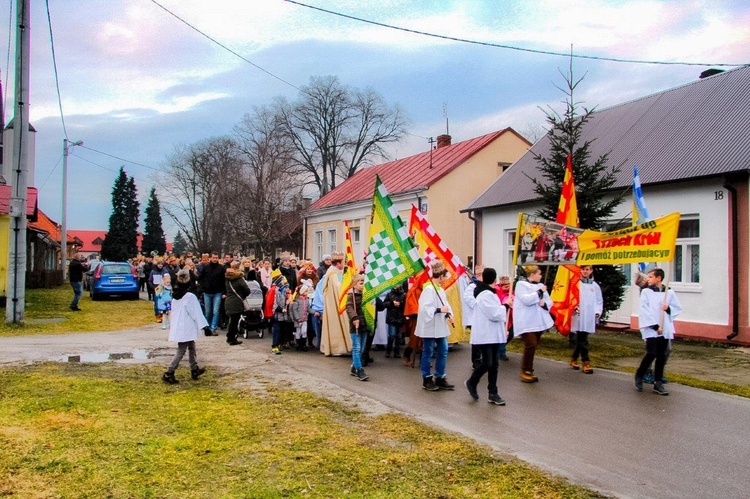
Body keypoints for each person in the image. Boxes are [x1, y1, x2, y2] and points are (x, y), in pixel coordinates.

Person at [634, 268, 682, 396]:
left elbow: (677, 308)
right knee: (651, 353)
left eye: (650, 277)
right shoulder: (646, 292)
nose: (647, 279)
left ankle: (658, 382)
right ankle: (639, 375)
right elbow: (644, 310)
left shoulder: (669, 293)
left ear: (658, 278)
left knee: (661, 355)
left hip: (664, 327)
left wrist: (668, 309)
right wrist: (655, 326)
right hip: (651, 328)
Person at [464, 267, 507, 406]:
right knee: (487, 362)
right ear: (494, 279)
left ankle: (492, 393)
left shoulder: (489, 293)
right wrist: (505, 307)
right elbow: (494, 314)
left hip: (492, 334)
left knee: (494, 364)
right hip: (485, 334)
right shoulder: (484, 294)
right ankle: (472, 382)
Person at [162, 269, 208, 384]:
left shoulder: (175, 295)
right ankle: (169, 372)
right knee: (181, 350)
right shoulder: (189, 296)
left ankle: (194, 368)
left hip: (180, 325)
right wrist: (204, 326)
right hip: (186, 326)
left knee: (191, 346)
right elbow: (196, 312)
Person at [415, 260, 456, 391]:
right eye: (445, 276)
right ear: (441, 276)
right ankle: (426, 378)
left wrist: (449, 314)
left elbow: (445, 305)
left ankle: (440, 377)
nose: (445, 279)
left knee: (443, 350)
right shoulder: (428, 289)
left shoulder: (439, 290)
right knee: (428, 351)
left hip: (439, 326)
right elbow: (425, 308)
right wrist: (439, 310)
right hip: (429, 326)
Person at [513, 265, 553, 383]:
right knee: (531, 343)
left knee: (534, 345)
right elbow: (526, 300)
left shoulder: (541, 286)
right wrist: (539, 292)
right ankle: (525, 370)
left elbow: (549, 301)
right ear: (532, 274)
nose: (540, 276)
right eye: (539, 274)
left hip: (538, 320)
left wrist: (544, 304)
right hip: (526, 321)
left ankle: (529, 369)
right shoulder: (521, 285)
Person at [570, 265, 603, 374]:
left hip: (589, 315)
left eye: (587, 269)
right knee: (582, 339)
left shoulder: (595, 286)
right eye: (583, 269)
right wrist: (575, 307)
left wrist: (597, 312)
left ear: (591, 271)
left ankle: (574, 358)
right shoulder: (576, 284)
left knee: (582, 338)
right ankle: (586, 362)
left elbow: (599, 300)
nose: (585, 271)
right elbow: (571, 297)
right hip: (578, 315)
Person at [320, 251, 352, 356]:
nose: (344, 265)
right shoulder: (333, 274)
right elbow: (339, 288)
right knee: (336, 324)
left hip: (335, 302)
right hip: (334, 304)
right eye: (343, 262)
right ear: (338, 264)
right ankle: (336, 348)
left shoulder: (334, 272)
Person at [345, 274, 370, 381]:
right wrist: (354, 317)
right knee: (356, 348)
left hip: (365, 325)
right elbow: (349, 307)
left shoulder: (367, 295)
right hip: (356, 325)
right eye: (361, 283)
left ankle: (353, 367)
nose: (363, 285)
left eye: (364, 283)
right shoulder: (351, 296)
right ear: (354, 285)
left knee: (362, 349)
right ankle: (360, 370)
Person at [197, 252, 224, 335]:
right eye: (213, 257)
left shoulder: (221, 268)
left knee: (215, 311)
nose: (215, 259)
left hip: (217, 292)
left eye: (216, 258)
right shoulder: (206, 268)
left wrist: (223, 291)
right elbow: (200, 278)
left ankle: (213, 328)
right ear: (211, 258)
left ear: (218, 258)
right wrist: (202, 288)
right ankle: (207, 327)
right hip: (207, 292)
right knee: (208, 311)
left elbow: (224, 280)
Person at [224, 261, 249, 346]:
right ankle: (232, 339)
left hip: (228, 301)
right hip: (236, 302)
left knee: (232, 321)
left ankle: (230, 337)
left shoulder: (228, 279)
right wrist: (243, 296)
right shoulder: (239, 278)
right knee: (234, 321)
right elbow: (247, 290)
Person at [383, 283, 406, 358]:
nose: (396, 285)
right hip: (391, 317)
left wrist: (401, 304)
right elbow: (384, 304)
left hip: (400, 317)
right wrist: (392, 303)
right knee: (392, 335)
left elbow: (406, 305)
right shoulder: (389, 294)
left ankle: (397, 351)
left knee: (398, 336)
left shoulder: (404, 295)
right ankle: (388, 350)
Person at [289, 280, 313, 351]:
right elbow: (294, 310)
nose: (307, 293)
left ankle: (303, 344)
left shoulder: (307, 300)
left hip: (305, 319)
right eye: (306, 291)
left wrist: (314, 312)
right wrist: (297, 318)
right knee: (298, 332)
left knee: (304, 331)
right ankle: (299, 344)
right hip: (299, 320)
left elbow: (308, 309)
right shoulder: (297, 300)